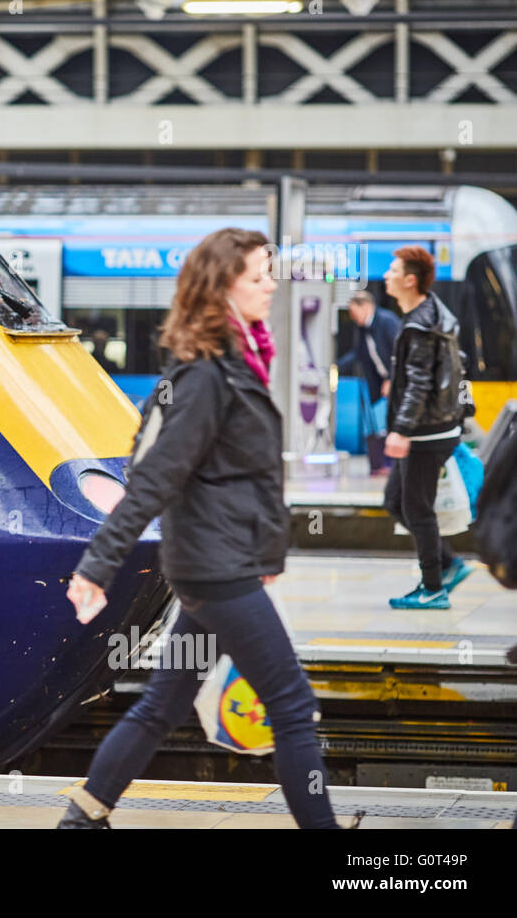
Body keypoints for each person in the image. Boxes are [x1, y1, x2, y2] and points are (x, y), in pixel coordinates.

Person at [58, 228, 341, 830]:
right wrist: (96, 567)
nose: (271, 286)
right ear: (220, 288)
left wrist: (265, 546)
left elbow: (238, 477)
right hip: (218, 571)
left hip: (215, 564)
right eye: (259, 276)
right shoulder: (207, 377)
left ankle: (83, 818)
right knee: (292, 705)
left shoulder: (231, 365)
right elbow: (153, 477)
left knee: (163, 703)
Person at [381, 246, 471, 610]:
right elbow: (457, 364)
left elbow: (420, 383)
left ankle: (432, 588)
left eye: (392, 270)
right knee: (396, 501)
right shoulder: (434, 312)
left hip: (425, 432)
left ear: (409, 279)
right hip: (438, 426)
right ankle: (448, 564)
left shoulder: (419, 324)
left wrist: (401, 429)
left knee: (417, 507)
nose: (386, 275)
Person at [337, 290, 400, 474]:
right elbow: (358, 354)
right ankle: (387, 464)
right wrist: (336, 367)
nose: (351, 316)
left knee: (397, 421)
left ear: (366, 306)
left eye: (353, 311)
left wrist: (391, 379)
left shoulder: (387, 322)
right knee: (389, 420)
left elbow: (400, 354)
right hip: (384, 383)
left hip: (398, 383)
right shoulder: (364, 329)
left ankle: (394, 465)